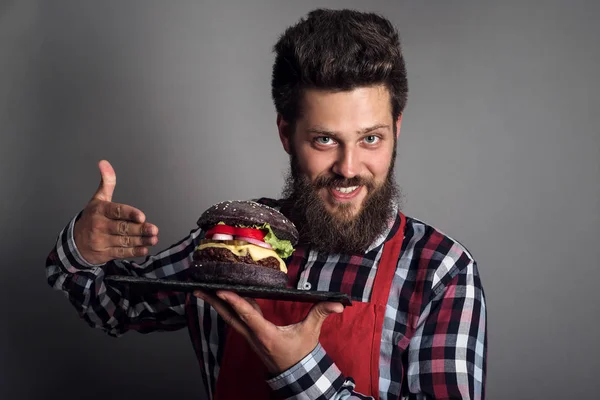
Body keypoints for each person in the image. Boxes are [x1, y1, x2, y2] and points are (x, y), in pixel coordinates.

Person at [46, 8, 487, 400]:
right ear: (285, 134)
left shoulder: (440, 271)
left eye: (371, 138)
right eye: (325, 139)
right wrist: (82, 248)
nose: (349, 167)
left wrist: (300, 370)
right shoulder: (232, 242)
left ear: (397, 128)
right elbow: (114, 306)